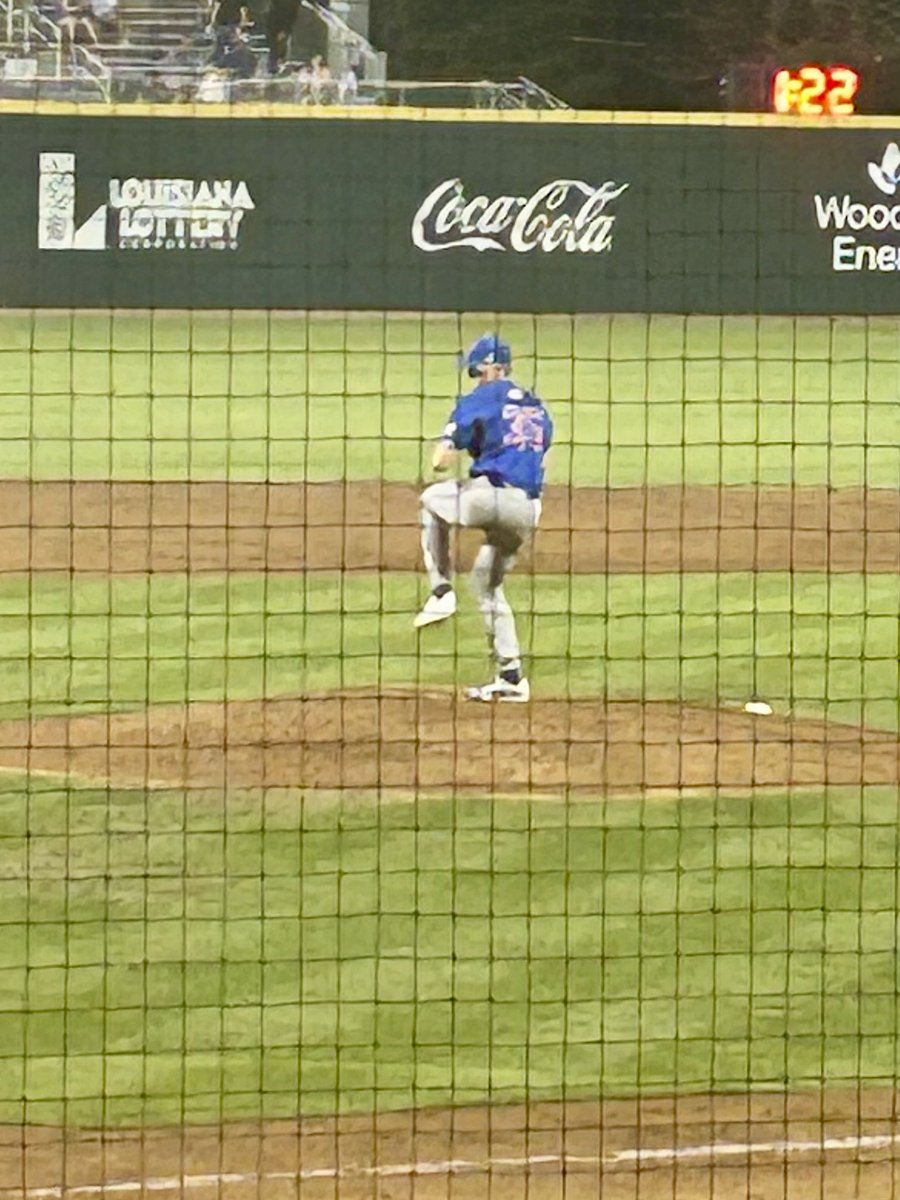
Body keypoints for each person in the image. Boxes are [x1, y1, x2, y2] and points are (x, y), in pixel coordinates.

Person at [415, 334, 553, 703]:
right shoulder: (538, 408)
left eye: (477, 369)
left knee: (430, 500)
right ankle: (511, 677)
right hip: (526, 509)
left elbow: (441, 457)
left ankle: (441, 592)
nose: (475, 376)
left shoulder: (479, 399)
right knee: (485, 583)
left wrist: (447, 450)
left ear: (493, 367)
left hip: (491, 497)